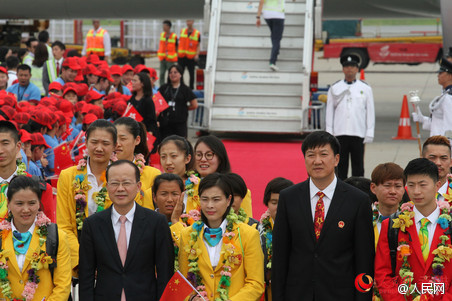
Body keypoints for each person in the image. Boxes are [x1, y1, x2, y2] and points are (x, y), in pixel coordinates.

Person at [272, 130, 374, 300]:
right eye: (311, 155)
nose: (317, 161)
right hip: (297, 294)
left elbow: (364, 261)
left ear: (336, 159)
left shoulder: (358, 200)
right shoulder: (288, 198)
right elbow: (280, 257)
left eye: (324, 154)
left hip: (341, 295)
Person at [79, 160, 174, 300]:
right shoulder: (92, 224)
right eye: (115, 183)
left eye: (126, 183)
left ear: (138, 186)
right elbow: (86, 275)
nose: (120, 188)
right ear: (107, 186)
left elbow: (165, 273)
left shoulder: (156, 222)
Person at [178, 173, 265, 300]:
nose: (210, 205)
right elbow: (184, 282)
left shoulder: (248, 234)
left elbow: (255, 283)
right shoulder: (187, 235)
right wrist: (191, 299)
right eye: (205, 199)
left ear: (228, 200)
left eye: (216, 199)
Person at [375, 158, 452, 300]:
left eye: (423, 185)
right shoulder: (392, 225)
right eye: (411, 185)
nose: (416, 191)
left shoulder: (450, 224)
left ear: (437, 185)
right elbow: (383, 274)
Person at [57, 120, 117, 278]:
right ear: (85, 143)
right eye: (94, 142)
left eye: (105, 143)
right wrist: (83, 261)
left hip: (114, 264)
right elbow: (64, 226)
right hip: (77, 263)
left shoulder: (122, 177)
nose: (99, 148)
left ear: (114, 146)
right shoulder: (68, 176)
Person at [0, 176, 71, 300]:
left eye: (32, 203)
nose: (26, 209)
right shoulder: (1, 235)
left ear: (39, 203)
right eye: (19, 203)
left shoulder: (56, 236)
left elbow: (62, 286)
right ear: (8, 203)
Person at [325, 54, 375, 180]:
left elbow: (370, 111)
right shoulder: (335, 87)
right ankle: (340, 190)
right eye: (346, 66)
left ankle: (359, 190)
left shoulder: (365, 88)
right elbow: (330, 110)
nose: (349, 69)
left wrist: (369, 132)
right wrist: (329, 131)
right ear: (343, 69)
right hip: (340, 131)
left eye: (352, 66)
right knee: (340, 165)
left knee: (358, 165)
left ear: (357, 69)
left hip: (358, 131)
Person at [0, 121, 54, 220]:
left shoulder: (39, 188)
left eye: (5, 143)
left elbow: (48, 230)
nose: (0, 150)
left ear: (18, 146)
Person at [193, 135, 253, 217]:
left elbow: (247, 223)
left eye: (209, 155)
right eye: (199, 155)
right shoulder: (186, 187)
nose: (203, 159)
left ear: (220, 158)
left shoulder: (236, 190)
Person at [113, 117, 161, 208]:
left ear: (137, 140)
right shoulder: (102, 172)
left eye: (123, 139)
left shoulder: (153, 175)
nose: (117, 144)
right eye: (114, 139)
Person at [259, 177, 294, 301]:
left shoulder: (302, 228)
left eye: (284, 202)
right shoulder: (257, 230)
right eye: (274, 203)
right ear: (267, 203)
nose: (279, 207)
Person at [413, 58, 452, 137]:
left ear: (450, 76)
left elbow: (450, 125)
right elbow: (438, 122)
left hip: (442, 144)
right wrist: (422, 119)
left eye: (441, 73)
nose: (438, 75)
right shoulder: (445, 94)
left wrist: (447, 146)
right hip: (438, 142)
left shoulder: (449, 97)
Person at [370, 162, 405, 248]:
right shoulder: (364, 217)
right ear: (373, 188)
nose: (393, 191)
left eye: (398, 186)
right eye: (387, 186)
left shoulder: (409, 219)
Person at [158, 64, 198, 139]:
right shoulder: (163, 88)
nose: (173, 74)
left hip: (180, 123)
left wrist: (183, 108)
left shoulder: (185, 89)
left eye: (175, 72)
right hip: (165, 123)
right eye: (170, 72)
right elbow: (156, 103)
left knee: (180, 144)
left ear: (180, 74)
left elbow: (194, 105)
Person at [256, 0, 287, 71]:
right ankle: (272, 62)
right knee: (276, 38)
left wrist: (258, 17)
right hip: (278, 15)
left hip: (267, 15)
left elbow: (261, 2)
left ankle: (276, 50)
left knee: (274, 35)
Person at [422, 135, 452, 201]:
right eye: (432, 158)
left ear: (451, 162)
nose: (438, 163)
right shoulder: (408, 193)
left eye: (443, 158)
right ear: (422, 160)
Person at [129, 72, 159, 139]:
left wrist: (150, 133)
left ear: (142, 83)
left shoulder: (148, 101)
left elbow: (151, 121)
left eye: (135, 81)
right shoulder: (132, 99)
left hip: (144, 135)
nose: (132, 83)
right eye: (132, 80)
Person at [178, 20, 200, 89]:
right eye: (187, 21)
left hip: (191, 57)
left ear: (193, 22)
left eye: (190, 21)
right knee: (180, 73)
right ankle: (181, 87)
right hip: (182, 56)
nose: (188, 23)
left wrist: (197, 55)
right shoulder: (182, 31)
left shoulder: (197, 33)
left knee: (191, 74)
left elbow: (198, 45)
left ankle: (191, 88)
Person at [157, 20, 178, 86]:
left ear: (168, 27)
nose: (163, 27)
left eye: (164, 26)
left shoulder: (174, 36)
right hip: (163, 58)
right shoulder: (162, 35)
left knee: (171, 74)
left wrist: (176, 55)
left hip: (170, 59)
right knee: (162, 73)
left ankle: (170, 86)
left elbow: (177, 47)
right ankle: (162, 86)